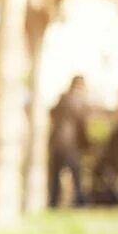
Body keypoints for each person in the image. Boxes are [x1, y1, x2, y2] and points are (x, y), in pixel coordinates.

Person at [48, 75, 90, 208]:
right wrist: (87, 145)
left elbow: (52, 113)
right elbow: (82, 124)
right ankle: (79, 200)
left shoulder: (62, 98)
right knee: (76, 173)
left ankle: (53, 202)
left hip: (56, 142)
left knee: (56, 174)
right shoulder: (78, 101)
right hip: (70, 144)